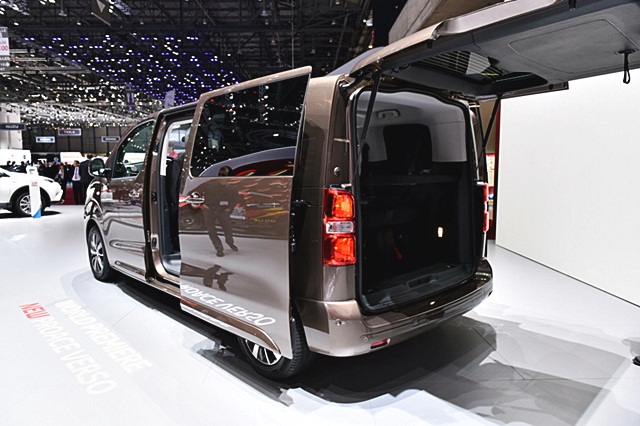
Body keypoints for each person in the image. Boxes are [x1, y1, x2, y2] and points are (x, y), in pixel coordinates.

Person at [203, 166, 239, 257]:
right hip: (209, 209)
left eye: (225, 175)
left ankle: (230, 242)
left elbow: (235, 199)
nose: (223, 177)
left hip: (223, 210)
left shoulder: (232, 188)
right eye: (221, 175)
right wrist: (203, 204)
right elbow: (198, 193)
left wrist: (230, 208)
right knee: (211, 230)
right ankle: (219, 249)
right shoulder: (209, 185)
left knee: (228, 228)